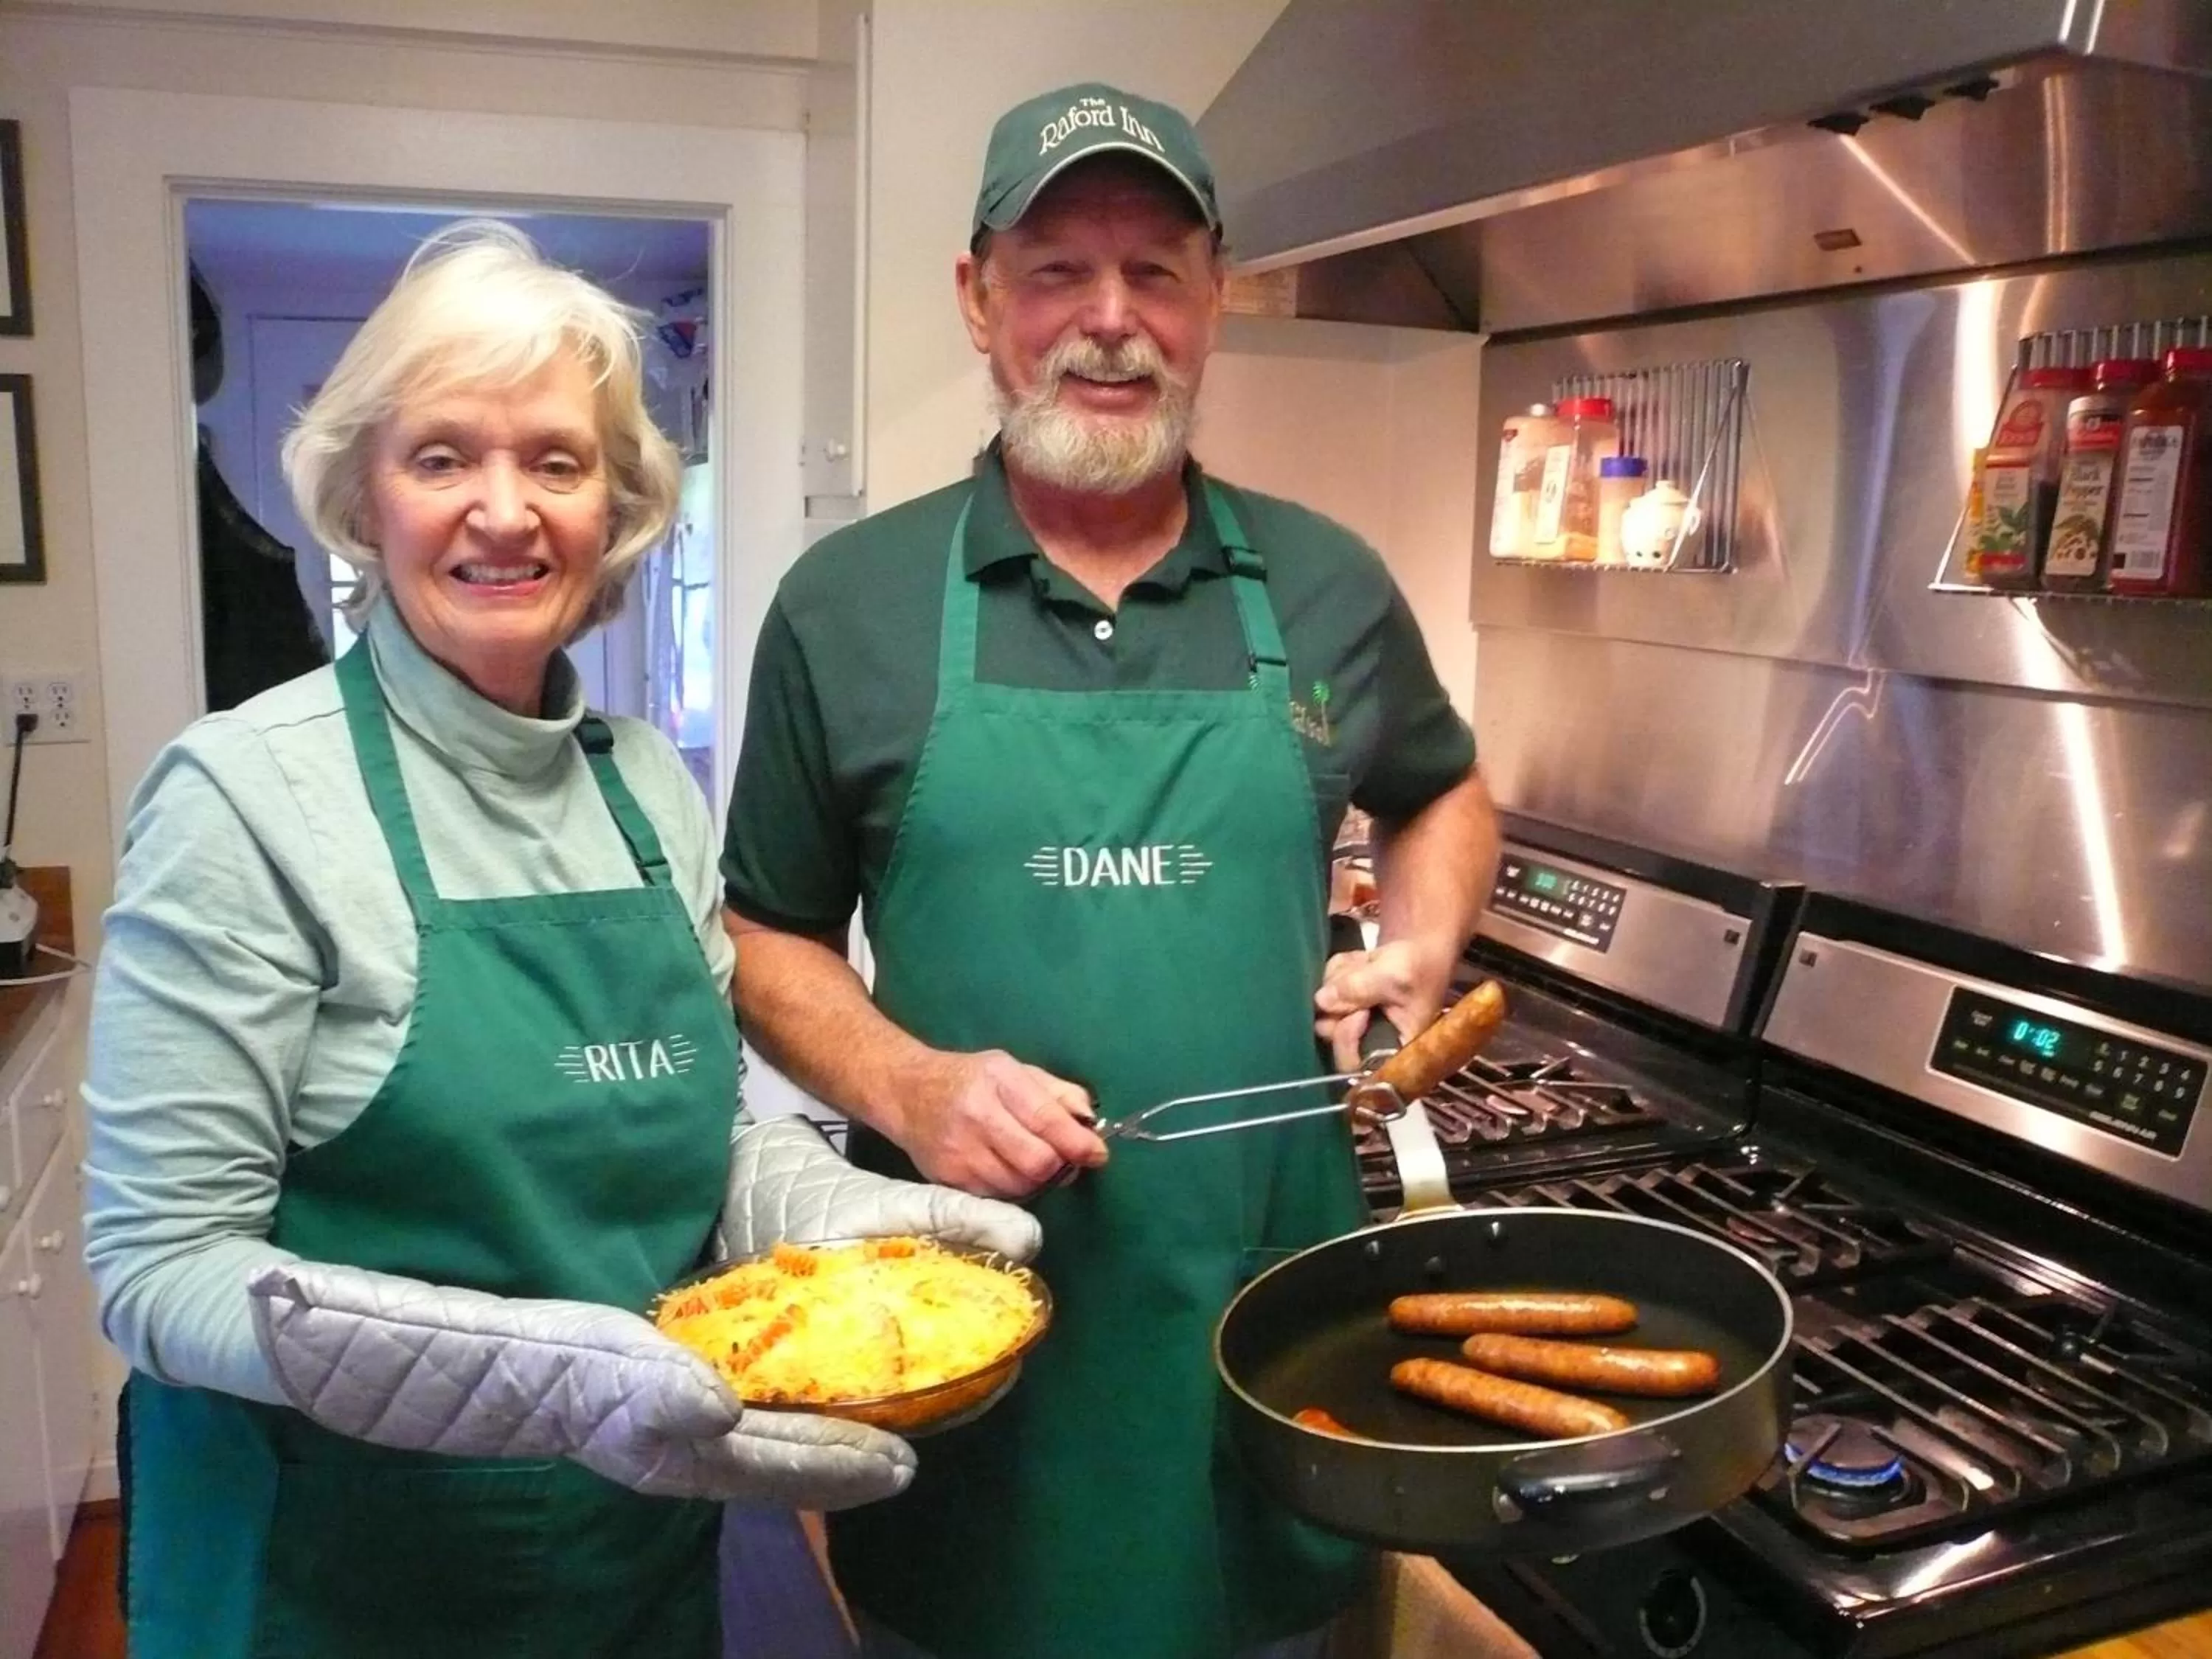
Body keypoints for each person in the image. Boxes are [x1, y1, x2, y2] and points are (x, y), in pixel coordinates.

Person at [82, 221, 1037, 1659]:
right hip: (331, 1585)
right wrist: (530, 1384)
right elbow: (160, 1268)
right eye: (443, 456)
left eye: (556, 460)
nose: (504, 511)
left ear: (621, 507)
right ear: (364, 494)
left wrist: (810, 1210)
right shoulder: (246, 798)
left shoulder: (649, 787)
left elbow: (685, 1133)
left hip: (629, 1567)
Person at [721, 84, 1501, 1659]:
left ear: (1215, 298)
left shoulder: (1331, 582)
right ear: (977, 298)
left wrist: (1417, 947)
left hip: (1263, 1306)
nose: (1109, 321)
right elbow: (764, 936)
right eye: (1058, 269)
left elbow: (1446, 791)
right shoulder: (846, 603)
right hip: (973, 1325)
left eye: (1155, 271)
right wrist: (910, 1085)